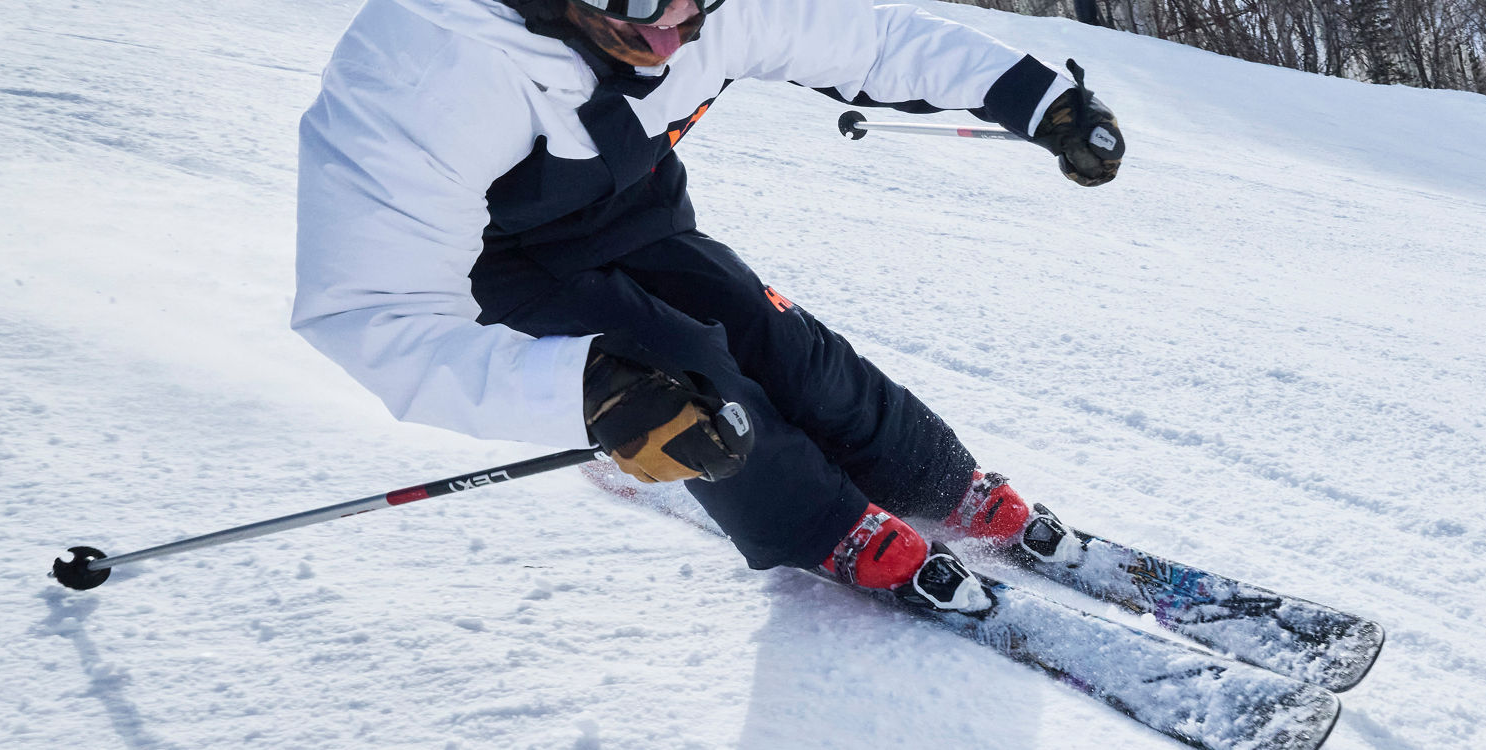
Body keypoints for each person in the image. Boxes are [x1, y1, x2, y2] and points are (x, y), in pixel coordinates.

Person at [290, 0, 1123, 611]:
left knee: (781, 341)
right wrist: (581, 392)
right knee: (689, 382)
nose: (673, 29)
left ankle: (935, 478)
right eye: (643, 1)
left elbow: (866, 40)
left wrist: (1035, 98)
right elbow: (370, 310)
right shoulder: (427, 67)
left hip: (637, 214)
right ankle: (821, 523)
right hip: (497, 272)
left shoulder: (696, 12)